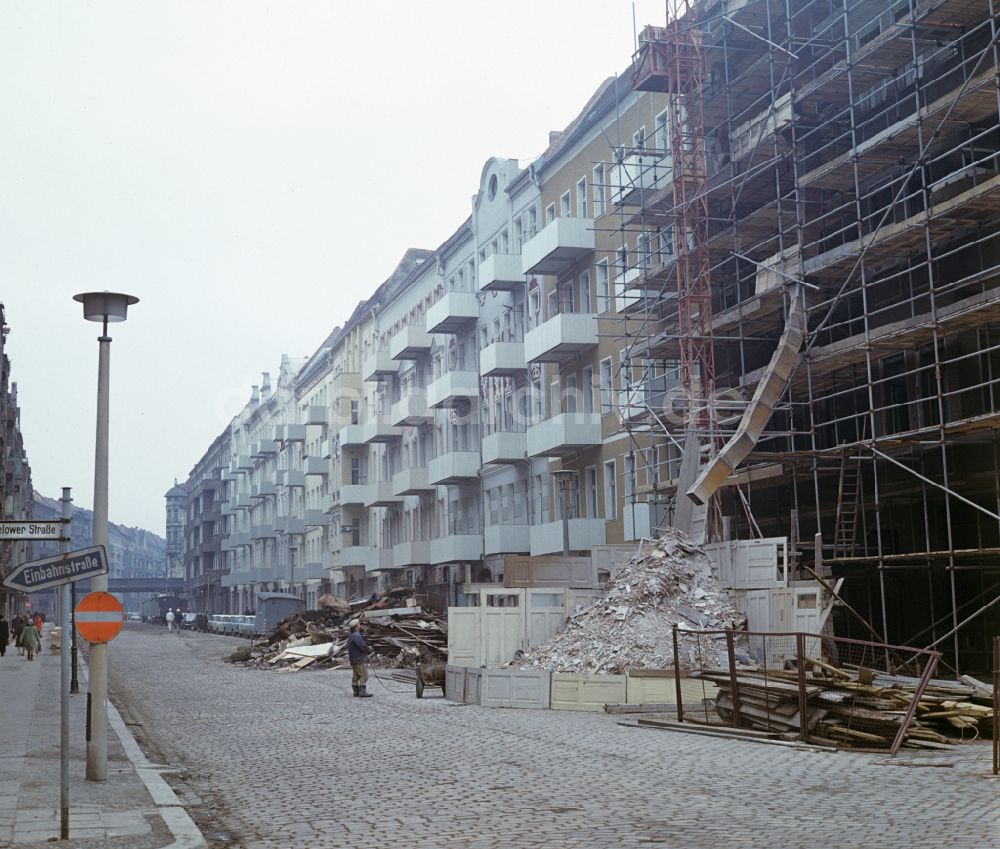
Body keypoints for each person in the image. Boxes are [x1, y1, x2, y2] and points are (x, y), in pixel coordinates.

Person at [347, 619, 373, 698]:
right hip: (359, 659)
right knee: (364, 675)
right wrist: (369, 648)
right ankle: (362, 692)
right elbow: (362, 646)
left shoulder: (351, 636)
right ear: (356, 626)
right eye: (359, 624)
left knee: (356, 676)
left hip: (354, 659)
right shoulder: (356, 636)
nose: (360, 625)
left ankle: (356, 692)